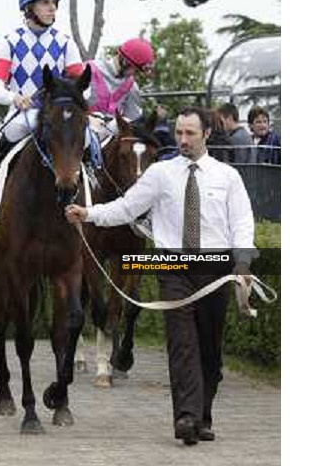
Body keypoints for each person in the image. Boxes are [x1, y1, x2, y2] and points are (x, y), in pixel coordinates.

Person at [65, 106, 255, 446]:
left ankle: (203, 415)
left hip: (215, 266)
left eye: (190, 133)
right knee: (181, 341)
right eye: (179, 133)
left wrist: (242, 266)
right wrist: (89, 214)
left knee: (209, 349)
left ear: (206, 134)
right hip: (173, 265)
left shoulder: (228, 177)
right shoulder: (160, 174)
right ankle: (185, 417)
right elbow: (126, 207)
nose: (182, 140)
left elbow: (242, 224)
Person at [0, 0, 84, 180]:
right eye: (45, 2)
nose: (52, 8)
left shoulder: (66, 43)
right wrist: (15, 98)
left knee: (88, 138)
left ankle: (92, 177)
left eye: (54, 3)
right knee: (13, 128)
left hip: (59, 114)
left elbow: (83, 85)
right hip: (23, 113)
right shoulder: (9, 43)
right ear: (29, 7)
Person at [85, 38, 155, 137]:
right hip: (82, 131)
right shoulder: (87, 70)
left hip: (110, 141)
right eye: (135, 71)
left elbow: (133, 120)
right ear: (125, 62)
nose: (134, 75)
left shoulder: (132, 87)